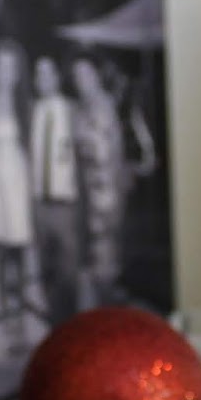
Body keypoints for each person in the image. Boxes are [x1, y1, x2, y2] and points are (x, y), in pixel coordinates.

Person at [0, 39, 34, 351]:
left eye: (11, 67)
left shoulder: (24, 104)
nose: (5, 73)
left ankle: (21, 320)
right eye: (1, 66)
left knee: (20, 257)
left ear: (17, 72)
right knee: (0, 257)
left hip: (18, 184)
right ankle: (8, 323)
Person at [71, 56, 129, 308]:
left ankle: (108, 306)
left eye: (85, 74)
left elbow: (105, 153)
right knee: (96, 257)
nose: (81, 81)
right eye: (76, 76)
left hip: (104, 193)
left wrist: (110, 201)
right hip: (89, 193)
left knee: (105, 255)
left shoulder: (103, 105)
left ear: (95, 76)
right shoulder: (81, 108)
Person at [29, 55, 81, 324]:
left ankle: (70, 325)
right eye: (39, 74)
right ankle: (54, 324)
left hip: (65, 204)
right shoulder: (32, 111)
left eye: (48, 73)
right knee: (46, 270)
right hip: (40, 204)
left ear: (57, 77)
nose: (44, 79)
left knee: (68, 274)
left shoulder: (71, 110)